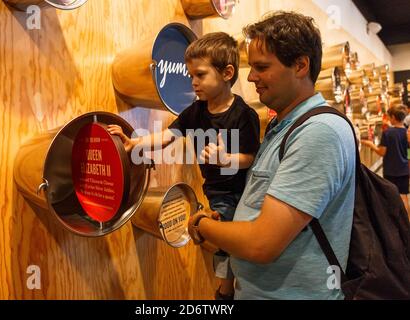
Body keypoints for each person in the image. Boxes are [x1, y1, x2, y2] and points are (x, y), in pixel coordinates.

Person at [188, 11, 356, 300]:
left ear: (301, 65)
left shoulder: (319, 132)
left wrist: (203, 225)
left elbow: (262, 245)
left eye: (261, 67)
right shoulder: (283, 125)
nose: (251, 77)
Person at [107, 32, 261, 300]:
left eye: (200, 75)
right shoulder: (196, 111)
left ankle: (228, 292)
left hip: (245, 189)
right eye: (191, 75)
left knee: (235, 238)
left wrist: (227, 160)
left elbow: (250, 157)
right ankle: (228, 290)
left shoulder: (244, 114)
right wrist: (137, 143)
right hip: (218, 191)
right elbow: (169, 136)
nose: (193, 82)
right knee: (227, 238)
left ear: (227, 73)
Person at [362, 105, 410, 219]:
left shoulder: (388, 133)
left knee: (391, 195)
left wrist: (370, 144)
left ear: (393, 117)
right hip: (404, 169)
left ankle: (393, 220)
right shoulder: (406, 133)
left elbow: (382, 152)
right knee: (404, 196)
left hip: (391, 170)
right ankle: (406, 221)